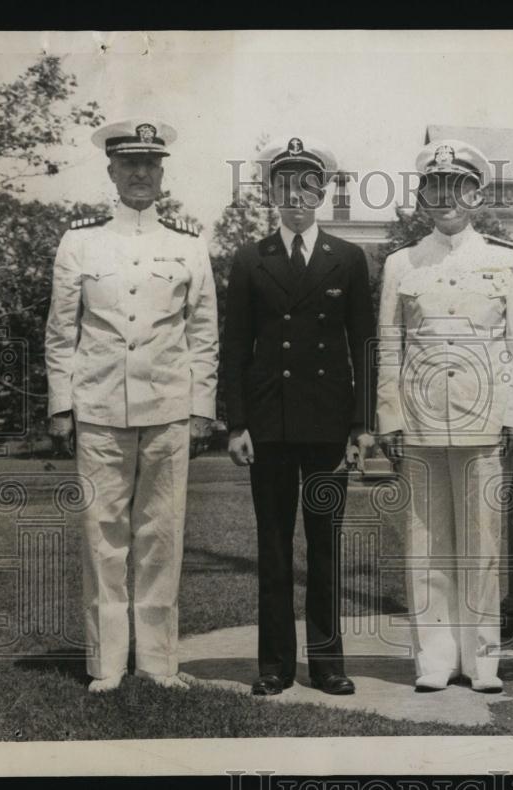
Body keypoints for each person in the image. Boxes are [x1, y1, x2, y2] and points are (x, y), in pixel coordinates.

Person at [45, 119, 218, 693]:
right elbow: (61, 331)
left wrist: (201, 407)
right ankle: (107, 665)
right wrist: (61, 405)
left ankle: (158, 663)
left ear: (162, 173)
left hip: (168, 406)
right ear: (112, 171)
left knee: (162, 535)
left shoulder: (188, 245)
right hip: (98, 407)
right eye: (129, 164)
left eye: (150, 164)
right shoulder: (80, 242)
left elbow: (203, 334)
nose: (140, 173)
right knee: (103, 536)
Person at [376, 140, 513, 693]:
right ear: (423, 197)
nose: (446, 198)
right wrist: (389, 418)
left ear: (477, 196)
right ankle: (435, 660)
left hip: (483, 420)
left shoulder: (505, 261)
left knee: (482, 545)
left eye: (458, 187)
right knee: (426, 545)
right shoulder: (402, 263)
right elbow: (389, 345)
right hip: (419, 422)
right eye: (435, 187)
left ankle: (482, 659)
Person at [223, 136, 374, 696]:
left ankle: (328, 664)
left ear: (322, 192)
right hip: (269, 426)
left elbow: (364, 346)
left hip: (329, 427)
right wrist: (237, 424)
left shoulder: (348, 258)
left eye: (308, 187)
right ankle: (274, 665)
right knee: (274, 546)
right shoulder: (250, 258)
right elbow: (235, 347)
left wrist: (361, 427)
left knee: (325, 545)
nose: (297, 198)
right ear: (272, 194)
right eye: (285, 187)